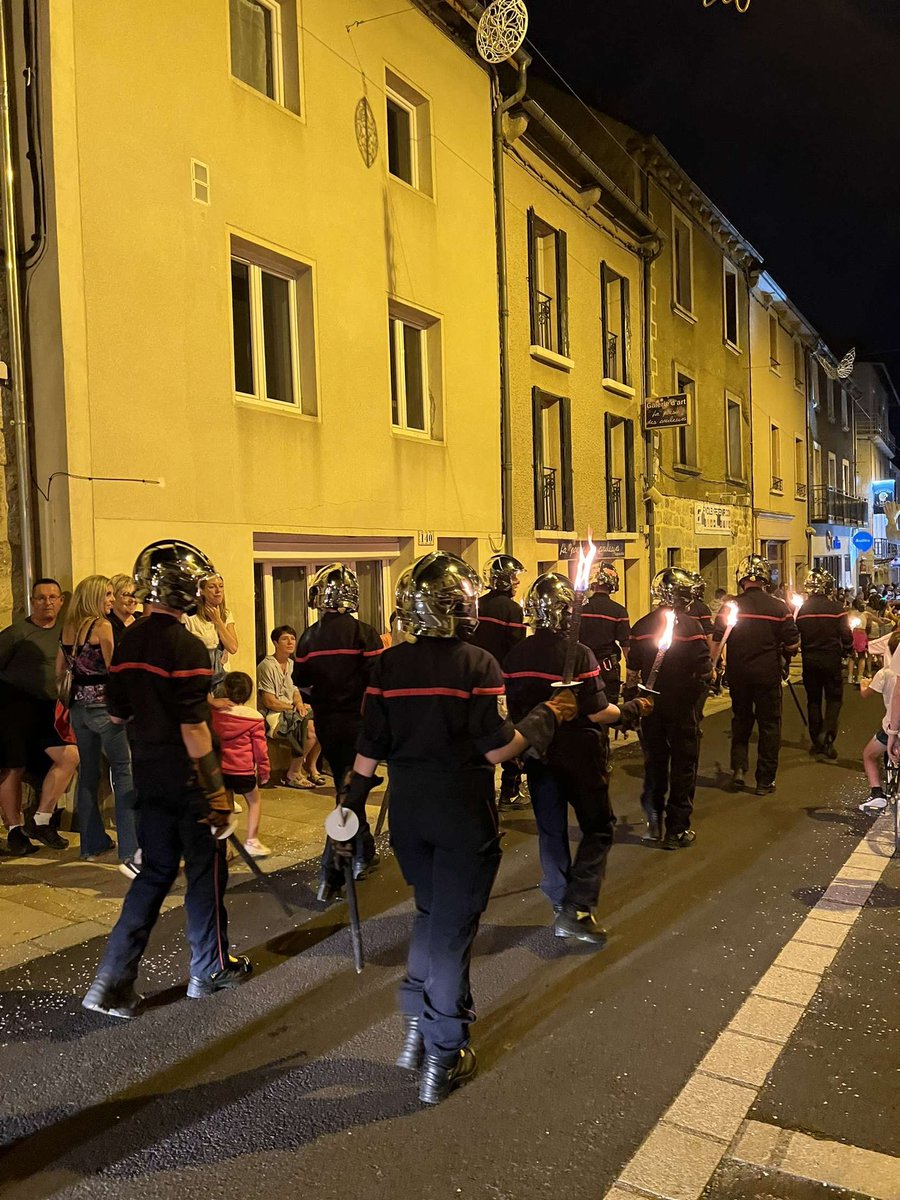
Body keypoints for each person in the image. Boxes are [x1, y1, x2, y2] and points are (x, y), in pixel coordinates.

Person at [345, 551, 578, 1104]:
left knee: (431, 915)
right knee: (451, 932)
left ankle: (414, 1027)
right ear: (459, 607)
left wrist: (348, 812)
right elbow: (500, 750)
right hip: (460, 809)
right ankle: (443, 1054)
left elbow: (367, 751)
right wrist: (548, 716)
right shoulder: (478, 664)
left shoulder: (387, 665)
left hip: (407, 811)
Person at [83, 541, 249, 1020]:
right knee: (205, 872)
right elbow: (194, 727)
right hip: (187, 779)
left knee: (154, 874)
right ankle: (209, 968)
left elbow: (117, 713)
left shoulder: (129, 639)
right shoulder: (187, 645)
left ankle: (112, 981)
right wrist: (217, 792)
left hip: (147, 775)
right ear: (181, 589)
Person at [503, 572, 650, 938]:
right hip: (581, 754)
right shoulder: (579, 653)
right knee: (598, 827)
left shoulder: (515, 655)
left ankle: (558, 899)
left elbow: (513, 709)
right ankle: (578, 905)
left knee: (551, 830)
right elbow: (598, 712)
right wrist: (632, 709)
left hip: (538, 753)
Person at [294, 563, 384, 898]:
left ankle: (364, 848)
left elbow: (301, 683)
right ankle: (349, 857)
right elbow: (377, 679)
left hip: (328, 722)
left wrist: (321, 702)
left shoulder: (308, 637)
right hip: (360, 721)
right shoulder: (364, 632)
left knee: (343, 784)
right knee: (353, 786)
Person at [57, 575, 140, 868]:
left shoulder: (68, 627)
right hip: (104, 708)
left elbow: (59, 671)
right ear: (93, 596)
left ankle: (91, 844)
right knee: (123, 773)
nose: (110, 599)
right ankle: (130, 849)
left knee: (89, 775)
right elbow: (115, 669)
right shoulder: (102, 626)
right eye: (106, 594)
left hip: (78, 710)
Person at [626, 568, 711, 848]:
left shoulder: (640, 626)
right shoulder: (691, 626)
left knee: (655, 761)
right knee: (684, 764)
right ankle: (677, 828)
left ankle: (653, 819)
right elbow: (703, 667)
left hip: (650, 705)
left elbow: (634, 667)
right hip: (682, 704)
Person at [0, 578, 80, 855]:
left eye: (53, 597)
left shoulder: (66, 632)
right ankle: (14, 830)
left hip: (50, 711)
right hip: (14, 710)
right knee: (14, 766)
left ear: (60, 602)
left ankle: (42, 820)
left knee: (69, 755)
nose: (47, 602)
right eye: (41, 597)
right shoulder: (17, 633)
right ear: (32, 602)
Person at [712, 555, 799, 796]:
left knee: (741, 721)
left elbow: (716, 641)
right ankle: (764, 780)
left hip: (739, 674)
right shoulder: (779, 607)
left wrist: (715, 665)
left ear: (741, 580)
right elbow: (792, 644)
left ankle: (739, 769)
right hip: (767, 674)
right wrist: (784, 651)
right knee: (770, 726)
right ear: (765, 579)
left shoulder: (729, 607)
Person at [468, 553, 527, 808]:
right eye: (514, 577)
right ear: (503, 579)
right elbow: (517, 648)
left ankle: (479, 790)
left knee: (478, 732)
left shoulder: (477, 605)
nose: (517, 582)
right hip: (502, 680)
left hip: (475, 679)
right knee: (507, 733)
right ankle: (510, 791)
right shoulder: (512, 610)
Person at [211, 671, 271, 857]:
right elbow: (260, 749)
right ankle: (252, 840)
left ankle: (224, 848)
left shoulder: (216, 713)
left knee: (225, 806)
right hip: (243, 769)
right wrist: (264, 771)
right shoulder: (254, 718)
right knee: (254, 801)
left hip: (221, 769)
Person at [796, 569, 852, 759]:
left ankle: (816, 740)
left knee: (813, 700)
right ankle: (827, 735)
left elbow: (797, 634)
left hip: (810, 659)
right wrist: (848, 648)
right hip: (830, 659)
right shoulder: (836, 608)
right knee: (834, 699)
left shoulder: (802, 611)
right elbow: (846, 635)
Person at [257, 625, 322, 788]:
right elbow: (269, 701)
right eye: (285, 639)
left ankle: (311, 766)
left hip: (290, 710)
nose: (290, 642)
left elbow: (295, 691)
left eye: (292, 638)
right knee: (311, 730)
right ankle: (293, 773)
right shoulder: (267, 666)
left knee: (324, 722)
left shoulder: (292, 664)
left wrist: (299, 703)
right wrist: (293, 708)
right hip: (273, 714)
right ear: (275, 642)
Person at [859, 631, 900, 812]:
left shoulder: (885, 673)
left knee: (868, 754)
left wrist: (863, 683)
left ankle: (877, 794)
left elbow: (866, 695)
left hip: (893, 725)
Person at [581, 562, 630, 704]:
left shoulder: (580, 609)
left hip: (583, 667)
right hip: (607, 668)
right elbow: (626, 646)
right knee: (608, 708)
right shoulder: (619, 611)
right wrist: (632, 674)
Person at [183, 572, 238, 700]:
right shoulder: (190, 617)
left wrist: (218, 621)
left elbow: (233, 647)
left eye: (221, 586)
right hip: (200, 679)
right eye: (212, 587)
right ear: (201, 591)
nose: (218, 591)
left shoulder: (225, 614)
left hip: (222, 679)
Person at [108, 574, 141, 644]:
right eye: (126, 595)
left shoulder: (141, 618)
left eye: (135, 595)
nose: (133, 600)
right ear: (114, 596)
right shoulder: (108, 625)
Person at [848, 599, 869, 684]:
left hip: (852, 634)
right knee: (862, 656)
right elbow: (880, 621)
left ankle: (850, 676)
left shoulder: (850, 613)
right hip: (861, 634)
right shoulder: (866, 614)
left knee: (852, 656)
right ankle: (860, 676)